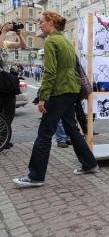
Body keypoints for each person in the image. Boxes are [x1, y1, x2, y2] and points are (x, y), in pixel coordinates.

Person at [13, 11, 98, 188]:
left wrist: (43, 98)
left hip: (60, 91)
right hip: (72, 90)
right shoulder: (65, 41)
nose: (39, 25)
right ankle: (90, 164)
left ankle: (35, 176)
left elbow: (50, 72)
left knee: (44, 133)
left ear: (51, 22)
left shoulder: (51, 41)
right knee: (72, 129)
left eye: (41, 22)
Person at [0, 22, 27, 149]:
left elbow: (23, 45)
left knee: (9, 111)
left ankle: (4, 137)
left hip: (6, 81)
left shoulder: (5, 43)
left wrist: (19, 35)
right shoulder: (2, 41)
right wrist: (4, 31)